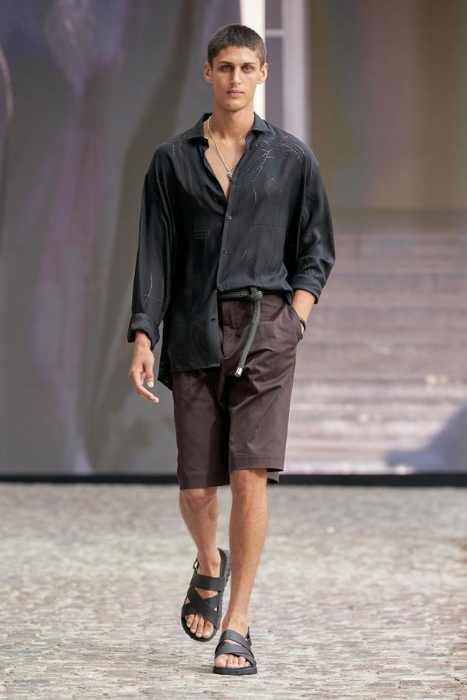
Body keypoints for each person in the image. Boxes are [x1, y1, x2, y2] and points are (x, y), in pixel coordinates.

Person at [128, 23, 335, 676]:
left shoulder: (292, 158)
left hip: (265, 332)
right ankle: (208, 561)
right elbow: (154, 254)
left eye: (248, 67)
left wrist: (293, 320)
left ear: (263, 73)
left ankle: (237, 625)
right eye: (225, 67)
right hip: (192, 330)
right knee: (196, 491)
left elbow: (316, 249)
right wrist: (143, 333)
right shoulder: (172, 160)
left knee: (249, 476)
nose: (236, 78)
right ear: (208, 73)